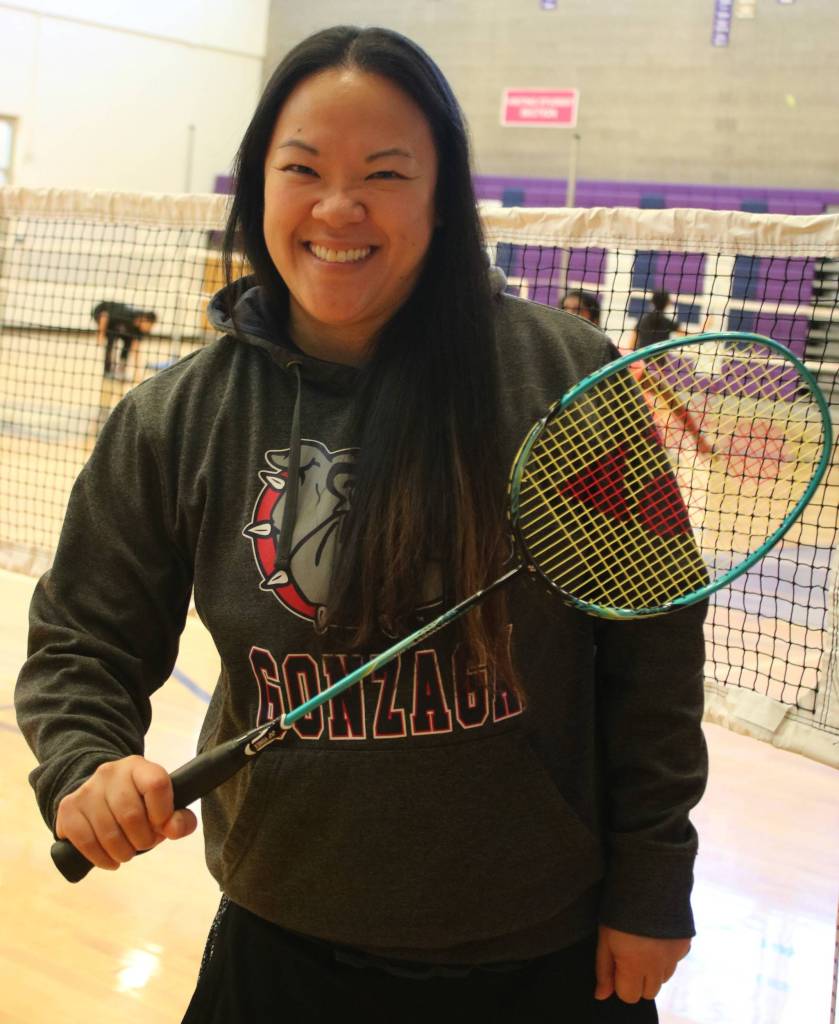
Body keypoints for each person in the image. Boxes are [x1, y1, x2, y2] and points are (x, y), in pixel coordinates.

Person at [16, 26, 707, 1023]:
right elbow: (81, 641)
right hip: (280, 951)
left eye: (385, 173)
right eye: (302, 169)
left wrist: (653, 877)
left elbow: (652, 646)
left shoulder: (561, 379)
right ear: (260, 184)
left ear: (441, 194)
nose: (337, 209)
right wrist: (86, 763)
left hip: (545, 957)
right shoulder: (177, 418)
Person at [91, 300, 156, 379]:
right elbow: (104, 315)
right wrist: (101, 334)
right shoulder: (126, 313)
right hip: (102, 310)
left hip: (118, 327)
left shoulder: (139, 331)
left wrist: (137, 372)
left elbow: (135, 349)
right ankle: (107, 371)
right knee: (111, 341)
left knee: (128, 341)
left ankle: (121, 370)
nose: (149, 329)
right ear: (144, 319)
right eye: (149, 326)